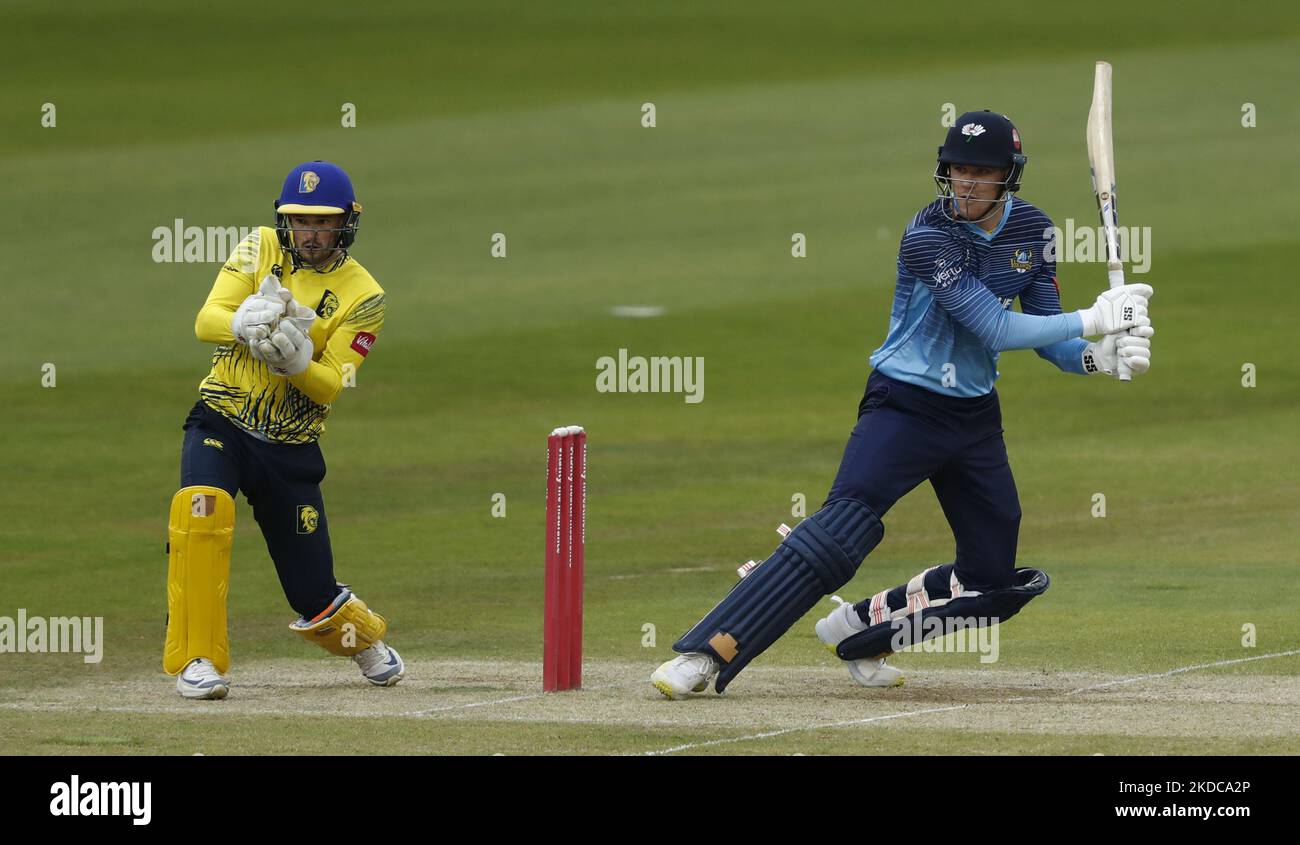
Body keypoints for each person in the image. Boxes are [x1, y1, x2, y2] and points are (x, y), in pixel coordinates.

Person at [651, 111, 1155, 698]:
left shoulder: (1034, 230)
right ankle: (703, 655)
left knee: (994, 585)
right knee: (842, 531)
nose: (967, 184)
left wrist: (1099, 356)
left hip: (973, 420)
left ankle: (861, 632)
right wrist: (1097, 318)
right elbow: (992, 327)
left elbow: (1046, 334)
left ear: (1007, 178)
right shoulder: (928, 235)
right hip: (903, 407)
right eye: (959, 170)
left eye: (982, 173)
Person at [163, 160, 403, 700]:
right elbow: (206, 320)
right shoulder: (257, 248)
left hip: (290, 448)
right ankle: (198, 658)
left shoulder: (366, 296)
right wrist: (241, 322)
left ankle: (362, 639)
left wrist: (298, 360)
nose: (309, 233)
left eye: (322, 222)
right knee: (200, 512)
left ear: (346, 222)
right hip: (222, 417)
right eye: (299, 220)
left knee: (312, 594)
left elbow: (334, 382)